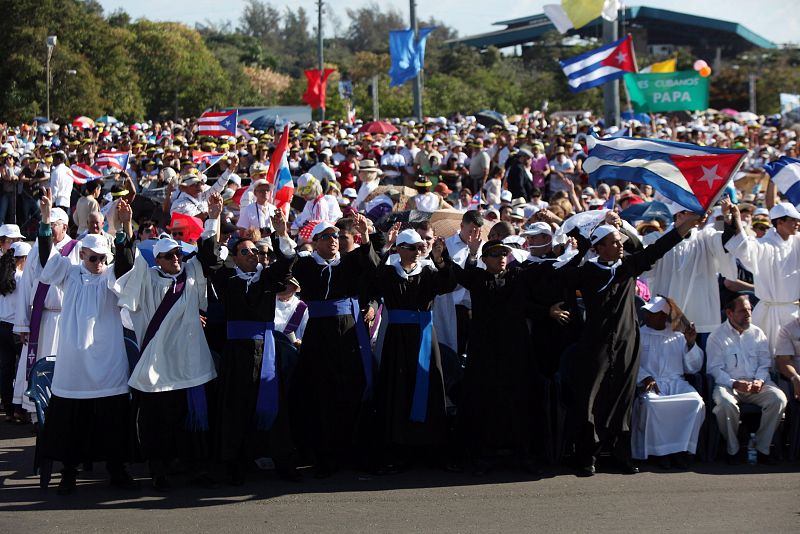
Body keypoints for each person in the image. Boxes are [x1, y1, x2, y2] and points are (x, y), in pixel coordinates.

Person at [562, 211, 702, 477]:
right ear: (598, 248)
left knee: (622, 400)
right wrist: (581, 250)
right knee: (589, 400)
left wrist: (684, 227)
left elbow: (658, 248)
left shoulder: (628, 266)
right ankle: (587, 456)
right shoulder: (586, 272)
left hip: (628, 342)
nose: (620, 244)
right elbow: (561, 278)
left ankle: (620, 454)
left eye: (620, 241)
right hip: (596, 343)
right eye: (614, 242)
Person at [112, 195, 223, 491]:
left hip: (189, 359)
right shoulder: (146, 278)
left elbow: (210, 256)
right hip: (157, 363)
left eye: (178, 254)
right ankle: (158, 470)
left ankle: (196, 467)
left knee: (191, 419)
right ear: (157, 259)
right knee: (157, 423)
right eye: (170, 255)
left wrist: (212, 218)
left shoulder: (192, 273)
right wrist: (124, 225)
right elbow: (125, 263)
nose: (176, 258)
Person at [36, 192, 136, 495]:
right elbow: (47, 258)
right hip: (75, 362)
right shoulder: (69, 274)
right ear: (82, 256)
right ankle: (68, 473)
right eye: (93, 258)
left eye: (103, 258)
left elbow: (127, 263)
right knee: (71, 420)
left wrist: (126, 227)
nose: (99, 263)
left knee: (112, 417)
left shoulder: (110, 277)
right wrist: (44, 218)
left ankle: (116, 469)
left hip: (108, 360)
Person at [214, 210, 302, 485]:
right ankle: (233, 466)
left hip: (265, 350)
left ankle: (284, 463)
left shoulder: (267, 278)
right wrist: (214, 221)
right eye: (246, 251)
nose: (253, 255)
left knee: (273, 405)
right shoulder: (227, 281)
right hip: (237, 353)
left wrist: (282, 233)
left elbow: (287, 262)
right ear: (235, 258)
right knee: (235, 409)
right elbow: (211, 261)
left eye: (255, 251)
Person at [289, 215, 381, 477]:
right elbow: (284, 264)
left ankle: (353, 452)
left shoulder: (349, 262)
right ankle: (323, 456)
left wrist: (368, 233)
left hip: (349, 333)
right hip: (319, 335)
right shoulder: (306, 265)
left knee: (352, 389)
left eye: (337, 236)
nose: (334, 240)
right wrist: (281, 235)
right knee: (320, 393)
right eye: (327, 236)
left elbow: (373, 267)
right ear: (315, 242)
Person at [370, 229, 455, 472]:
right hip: (397, 340)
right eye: (413, 247)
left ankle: (430, 448)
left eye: (421, 247)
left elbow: (448, 284)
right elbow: (372, 276)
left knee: (429, 388)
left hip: (424, 337)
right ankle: (398, 449)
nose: (419, 252)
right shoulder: (388, 273)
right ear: (400, 249)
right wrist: (384, 247)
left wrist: (440, 259)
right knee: (398, 389)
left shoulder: (428, 272)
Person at [453, 236, 538, 475]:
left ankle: (522, 453)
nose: (502, 258)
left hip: (515, 350)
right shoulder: (478, 277)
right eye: (495, 255)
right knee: (486, 402)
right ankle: (485, 455)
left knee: (517, 401)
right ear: (484, 259)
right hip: (485, 352)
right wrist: (470, 253)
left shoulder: (517, 275)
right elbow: (459, 274)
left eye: (504, 254)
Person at [12, 206, 80, 421]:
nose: (50, 230)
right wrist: (23, 325)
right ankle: (36, 413)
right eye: (47, 226)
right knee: (38, 363)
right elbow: (25, 288)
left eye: (54, 225)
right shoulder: (34, 252)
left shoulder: (77, 249)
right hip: (40, 319)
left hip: (67, 318)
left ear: (65, 226)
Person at [706, 294, 788, 464]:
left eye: (749, 310)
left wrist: (759, 381)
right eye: (743, 311)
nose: (748, 314)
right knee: (725, 405)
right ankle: (733, 449)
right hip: (729, 384)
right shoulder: (717, 336)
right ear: (729, 313)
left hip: (756, 383)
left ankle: (762, 447)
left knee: (778, 399)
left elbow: (765, 363)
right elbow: (714, 369)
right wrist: (734, 383)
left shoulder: (758, 333)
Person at [642, 199, 736, 341]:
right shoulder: (656, 240)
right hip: (665, 319)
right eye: (695, 212)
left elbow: (720, 238)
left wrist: (725, 216)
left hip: (699, 321)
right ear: (679, 215)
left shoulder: (704, 238)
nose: (702, 215)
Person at [631, 297, 705, 469]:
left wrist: (691, 343)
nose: (647, 315)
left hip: (676, 383)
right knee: (652, 404)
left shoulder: (678, 337)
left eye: (653, 313)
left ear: (664, 316)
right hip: (652, 384)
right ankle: (660, 452)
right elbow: (631, 363)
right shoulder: (638, 335)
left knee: (696, 402)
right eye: (648, 312)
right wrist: (645, 377)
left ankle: (681, 450)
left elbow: (693, 368)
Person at [727, 202, 800, 356]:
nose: (797, 223)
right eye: (792, 220)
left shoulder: (797, 242)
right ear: (779, 222)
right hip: (771, 314)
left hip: (795, 312)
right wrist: (736, 218)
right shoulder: (763, 245)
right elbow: (743, 248)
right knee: (770, 354)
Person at [0, 242, 29, 421]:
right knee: (21, 370)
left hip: (1, 326)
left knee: (5, 369)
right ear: (24, 259)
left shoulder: (2, 276)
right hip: (17, 328)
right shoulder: (21, 277)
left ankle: (9, 410)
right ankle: (20, 409)